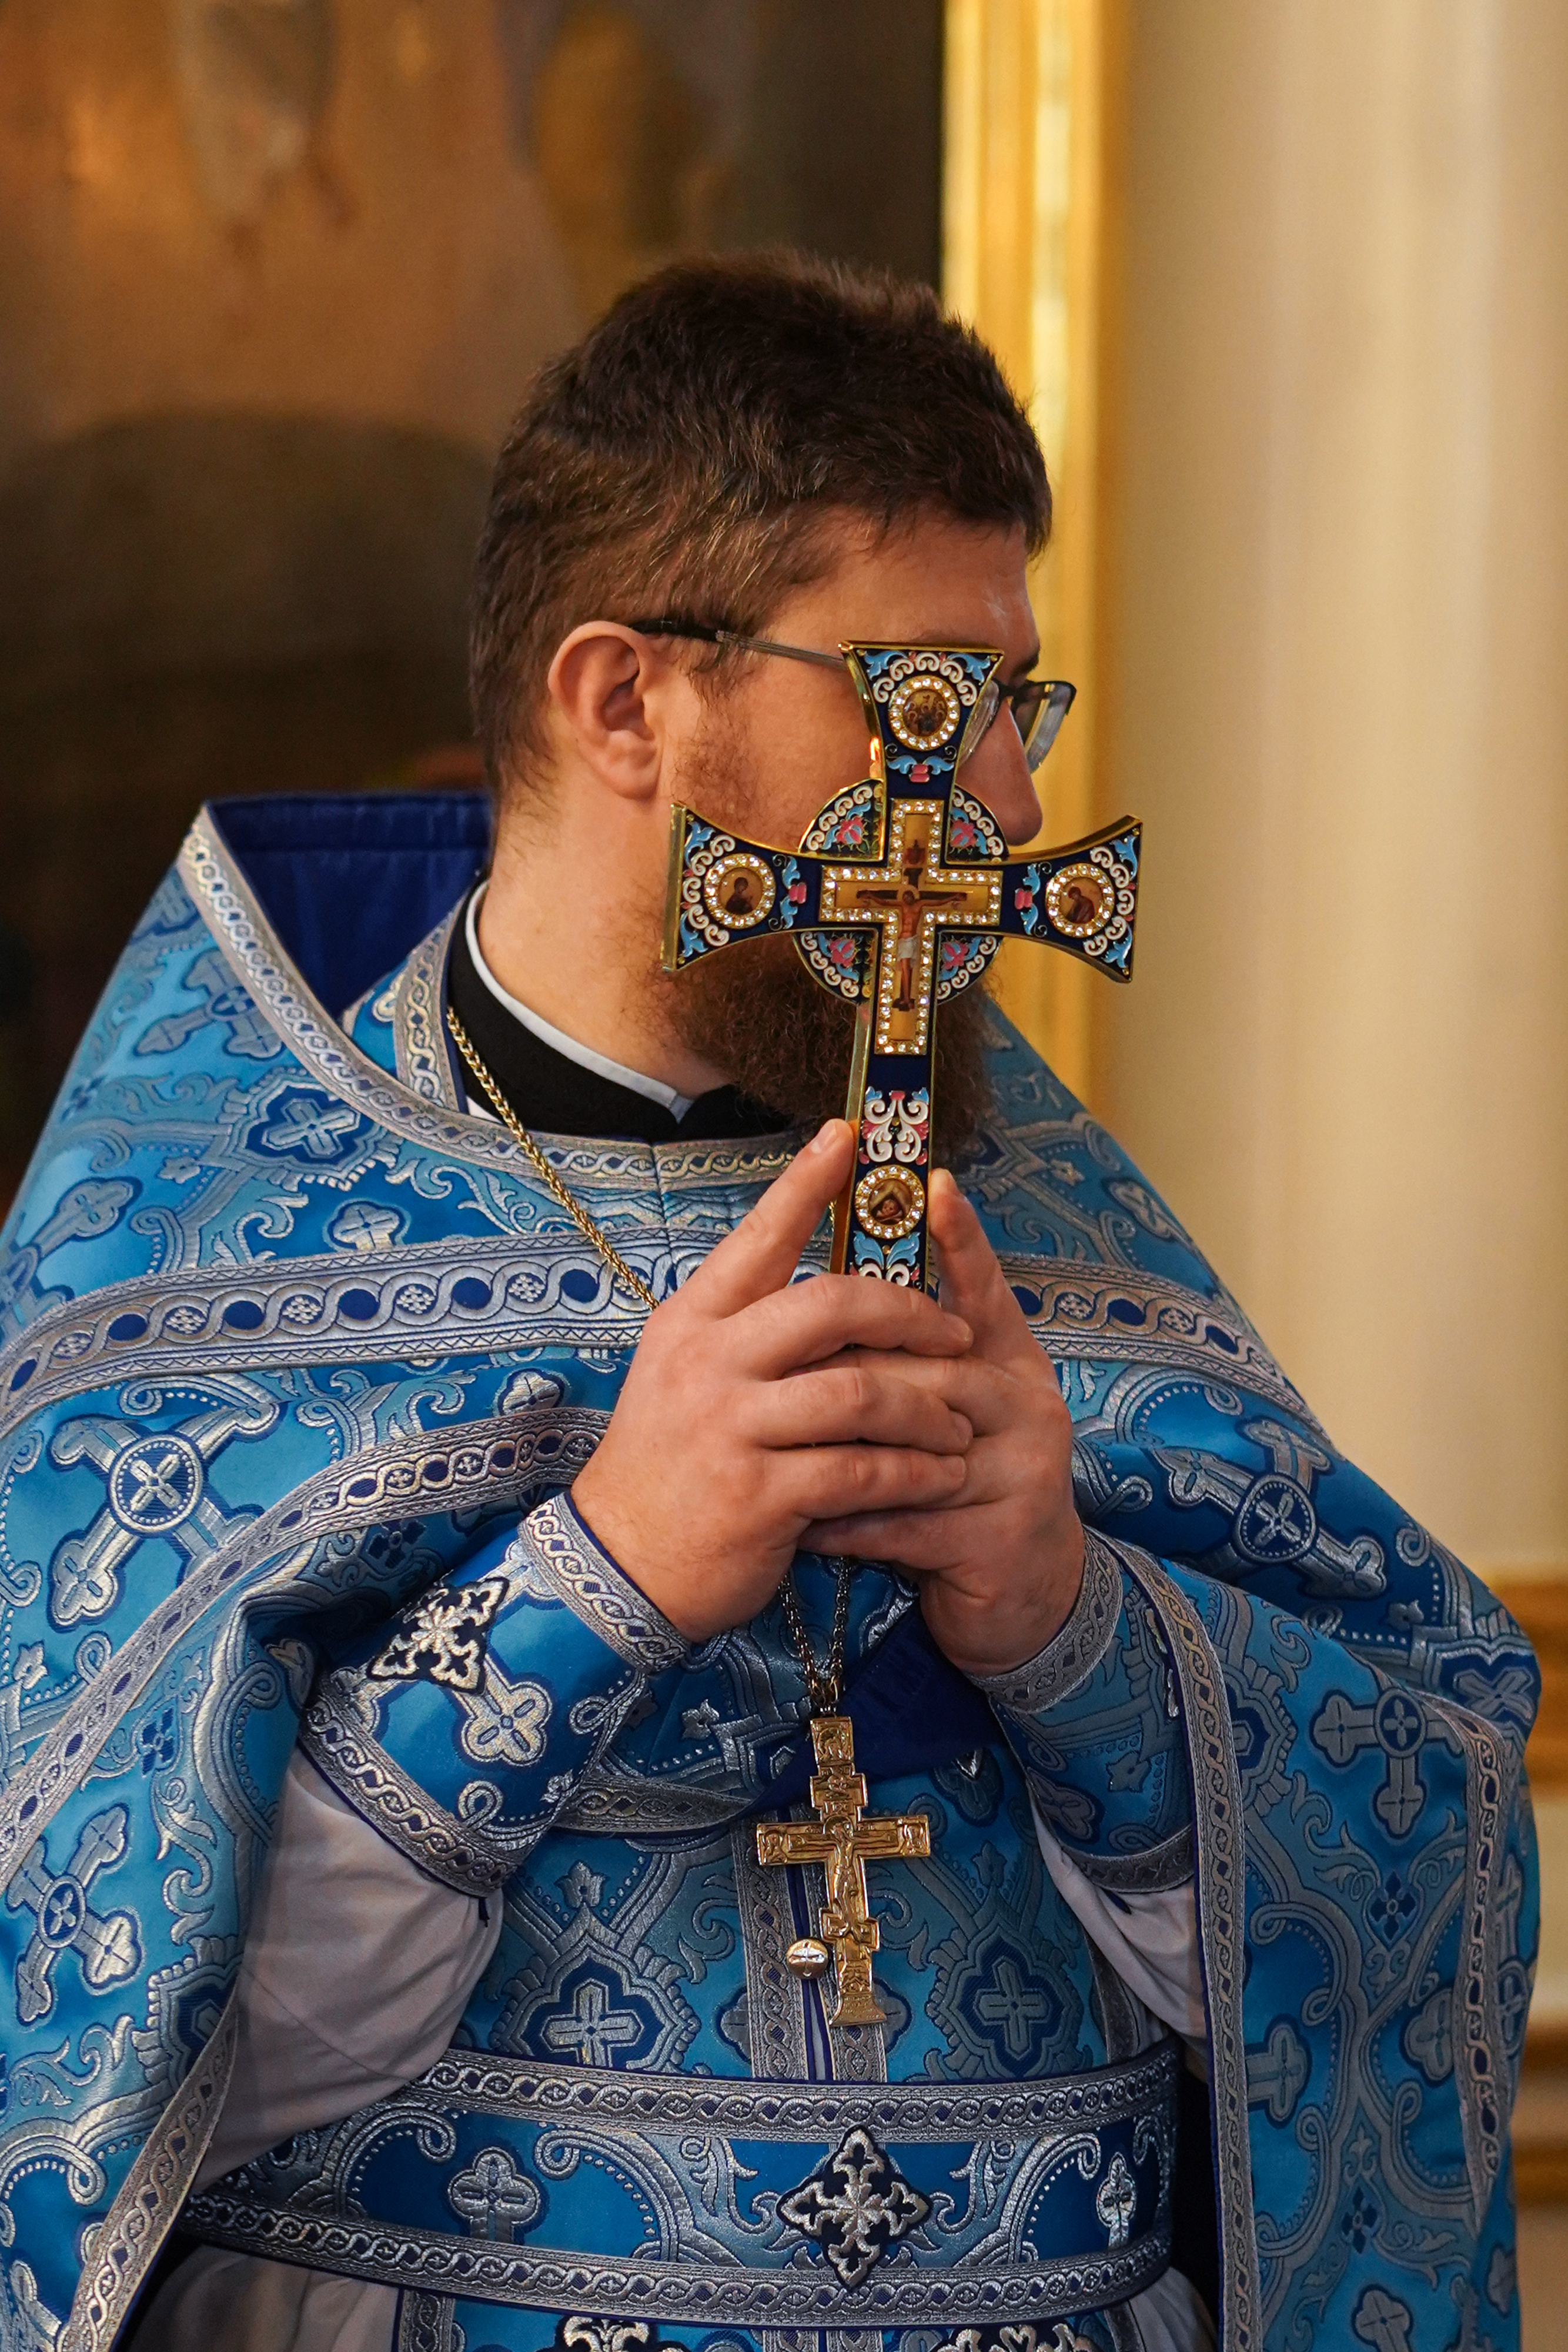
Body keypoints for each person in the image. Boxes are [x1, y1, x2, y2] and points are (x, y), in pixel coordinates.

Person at [0, 256, 1535, 2352]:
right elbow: (91, 2057)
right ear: (626, 699)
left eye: (1019, 698)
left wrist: (1071, 1625)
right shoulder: (189, 1265)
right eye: (922, 701)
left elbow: (1393, 1906)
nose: (1003, 809)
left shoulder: (1052, 1230)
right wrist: (595, 1580)